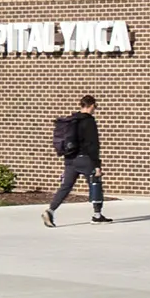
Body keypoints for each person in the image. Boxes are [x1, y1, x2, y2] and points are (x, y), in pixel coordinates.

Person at [42, 95, 111, 225]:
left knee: (65, 187)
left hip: (70, 159)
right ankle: (97, 215)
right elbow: (93, 144)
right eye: (95, 106)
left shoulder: (73, 120)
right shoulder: (89, 121)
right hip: (85, 159)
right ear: (91, 105)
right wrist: (97, 165)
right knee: (95, 184)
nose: (95, 109)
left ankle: (50, 210)